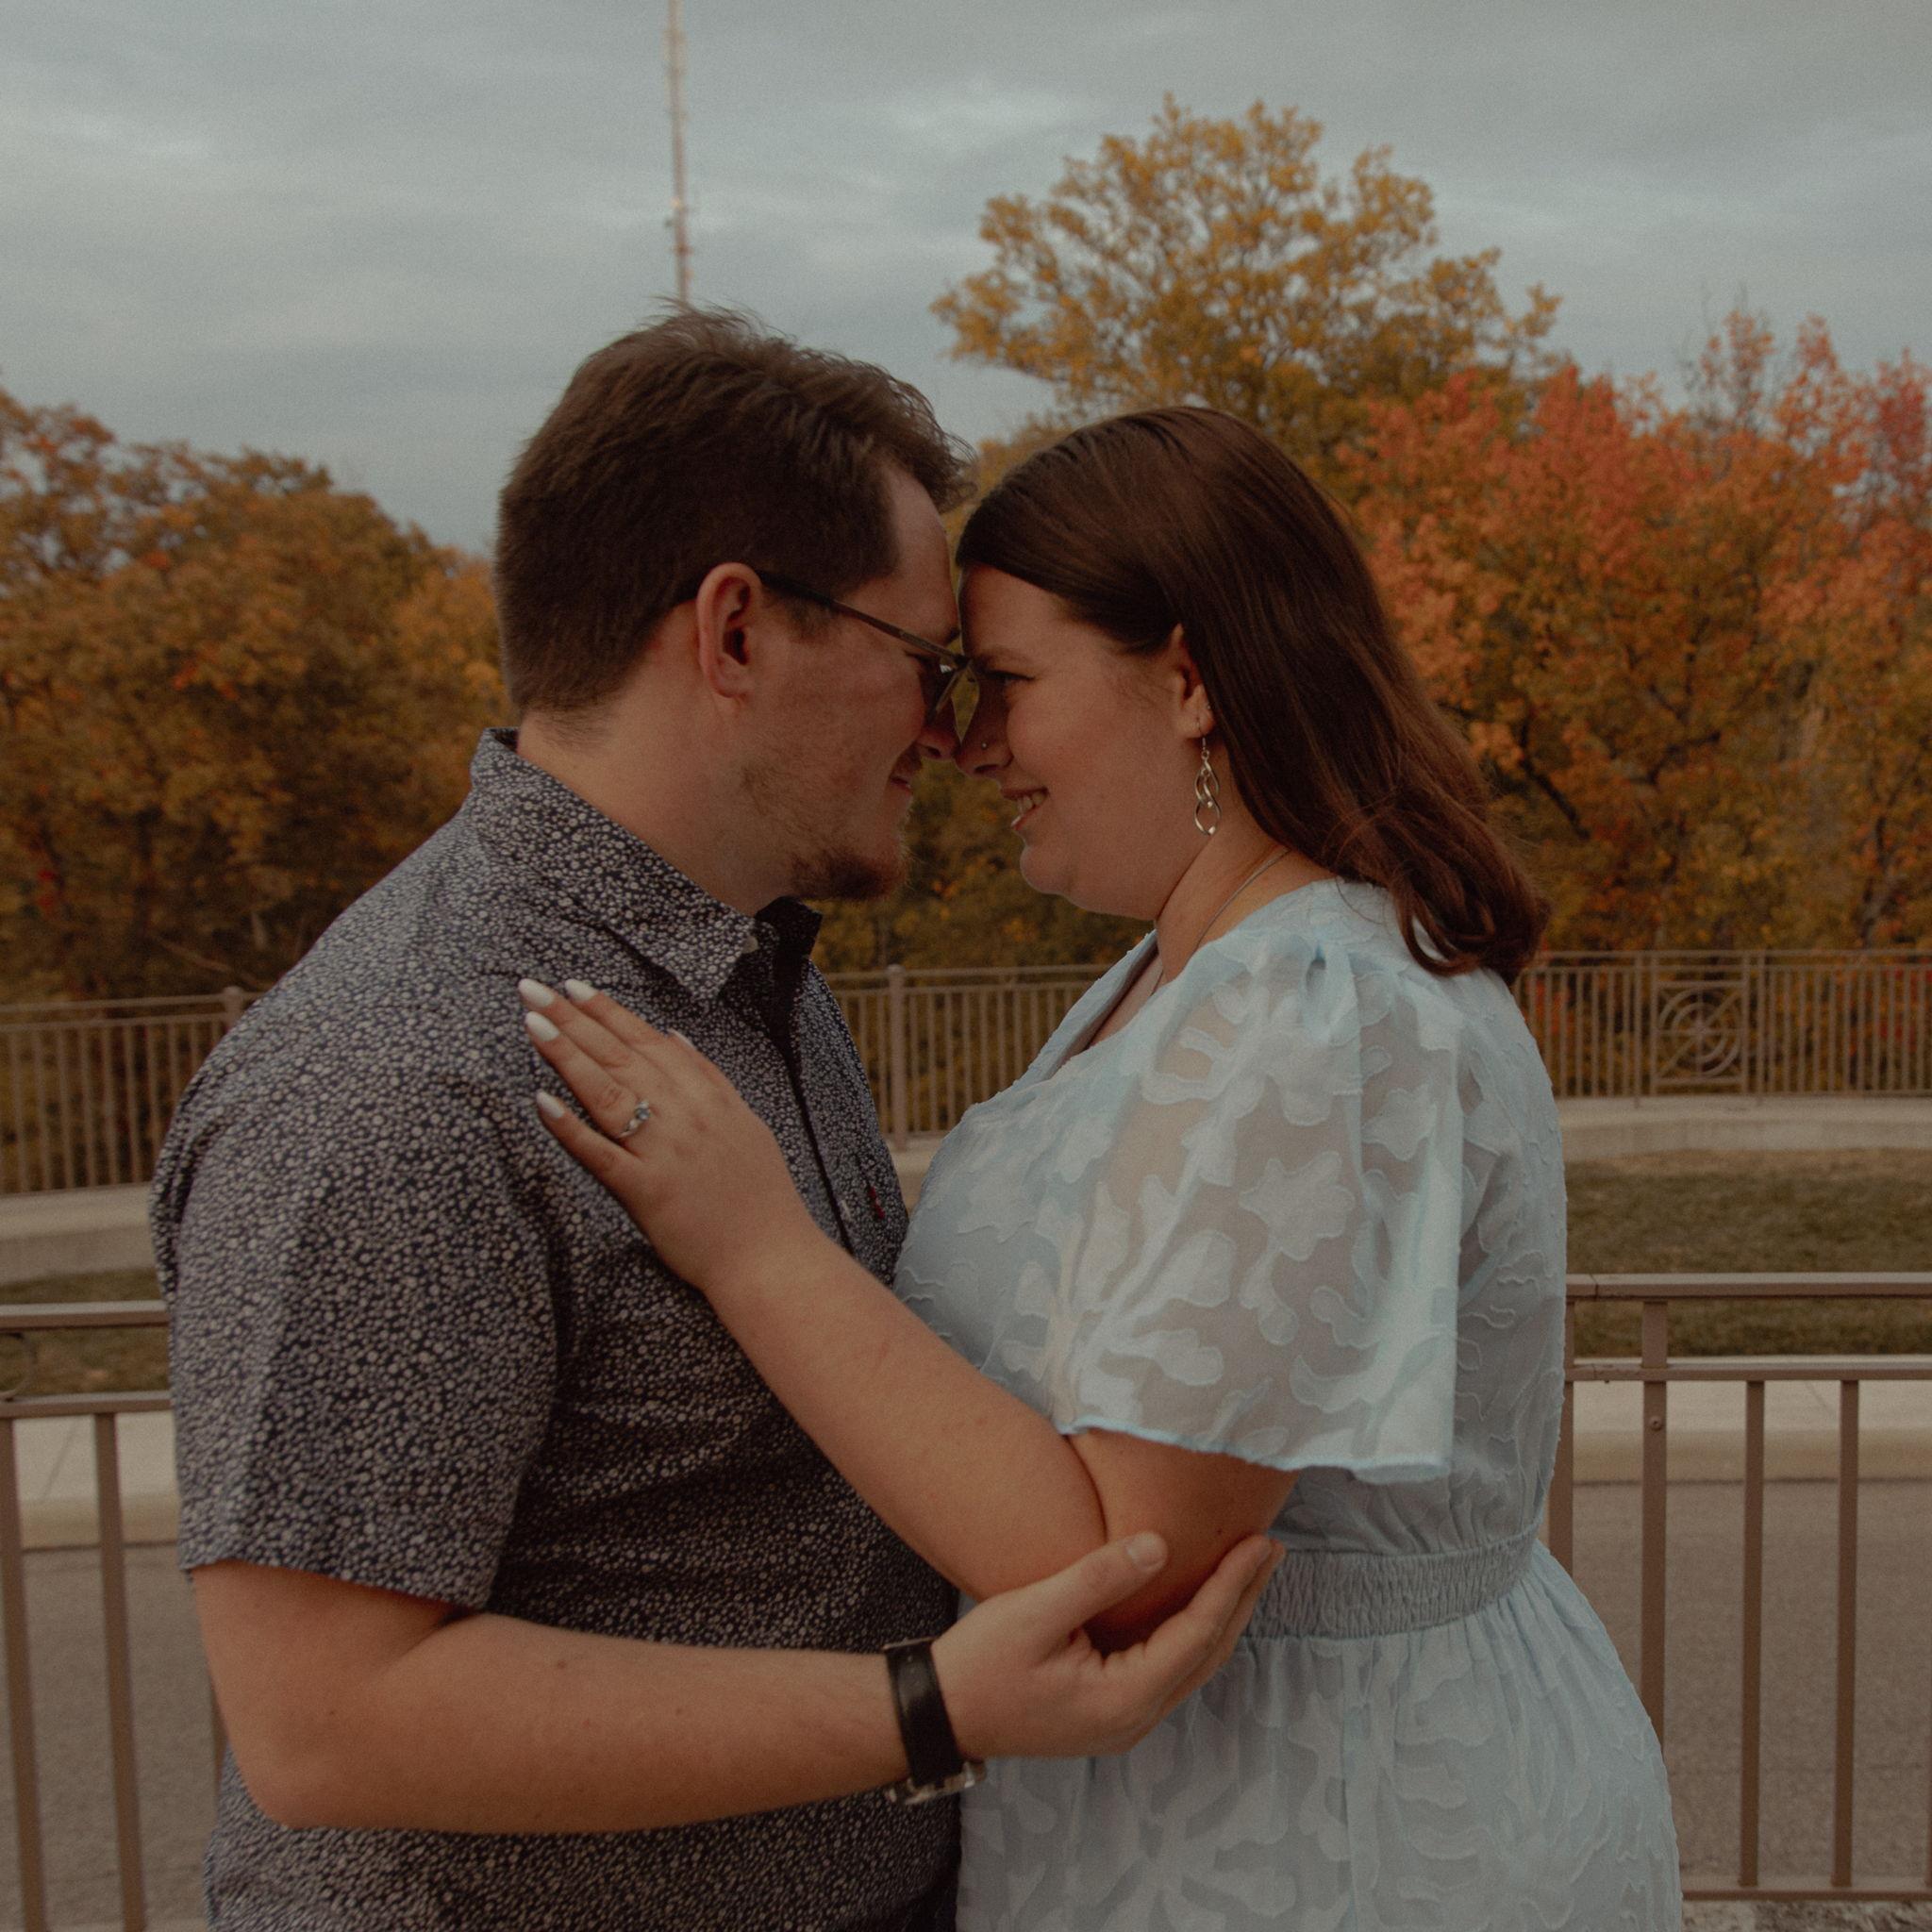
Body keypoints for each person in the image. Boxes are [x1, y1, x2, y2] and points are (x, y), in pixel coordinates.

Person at [151, 316, 1282, 1932]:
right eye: (927, 659)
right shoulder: (395, 1070)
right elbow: (327, 1724)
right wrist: (926, 1706)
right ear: (737, 632)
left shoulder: (750, 978)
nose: (952, 736)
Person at [525, 407, 1685, 1928]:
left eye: (1002, 682)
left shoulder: (1315, 1009)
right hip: (1220, 1819)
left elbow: (1119, 1564)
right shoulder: (1185, 971)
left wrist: (752, 1245)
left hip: (1338, 1840)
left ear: (1190, 680)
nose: (959, 741)